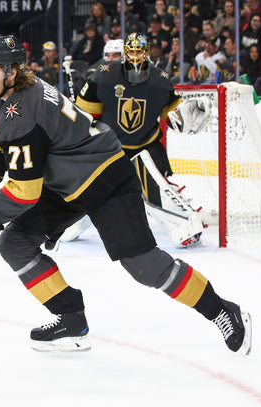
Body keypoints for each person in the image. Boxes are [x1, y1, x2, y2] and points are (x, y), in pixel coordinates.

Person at [0, 34, 252, 356]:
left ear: (11, 70)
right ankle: (71, 321)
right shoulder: (20, 89)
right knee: (16, 243)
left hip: (105, 176)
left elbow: (25, 192)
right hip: (69, 180)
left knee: (143, 265)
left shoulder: (21, 106)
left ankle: (222, 310)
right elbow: (34, 136)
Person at [76, 32, 208, 248]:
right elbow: (85, 114)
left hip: (146, 146)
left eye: (140, 51)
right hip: (111, 147)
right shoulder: (105, 75)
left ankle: (185, 227)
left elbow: (174, 116)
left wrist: (189, 114)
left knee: (156, 187)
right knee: (91, 191)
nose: (135, 56)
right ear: (125, 53)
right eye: (132, 51)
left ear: (147, 52)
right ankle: (61, 226)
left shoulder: (160, 79)